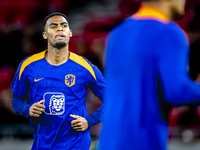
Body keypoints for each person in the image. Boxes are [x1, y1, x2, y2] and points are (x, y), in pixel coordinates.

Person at [99, 0, 200, 150]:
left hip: (107, 142)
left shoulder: (116, 34)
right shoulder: (170, 33)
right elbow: (177, 91)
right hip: (143, 143)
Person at [11, 12, 106, 150]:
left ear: (70, 33)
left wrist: (89, 121)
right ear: (45, 34)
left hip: (76, 144)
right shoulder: (28, 66)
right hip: (42, 144)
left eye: (64, 25)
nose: (60, 28)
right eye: (53, 26)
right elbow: (16, 100)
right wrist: (28, 109)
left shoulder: (85, 67)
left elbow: (111, 99)